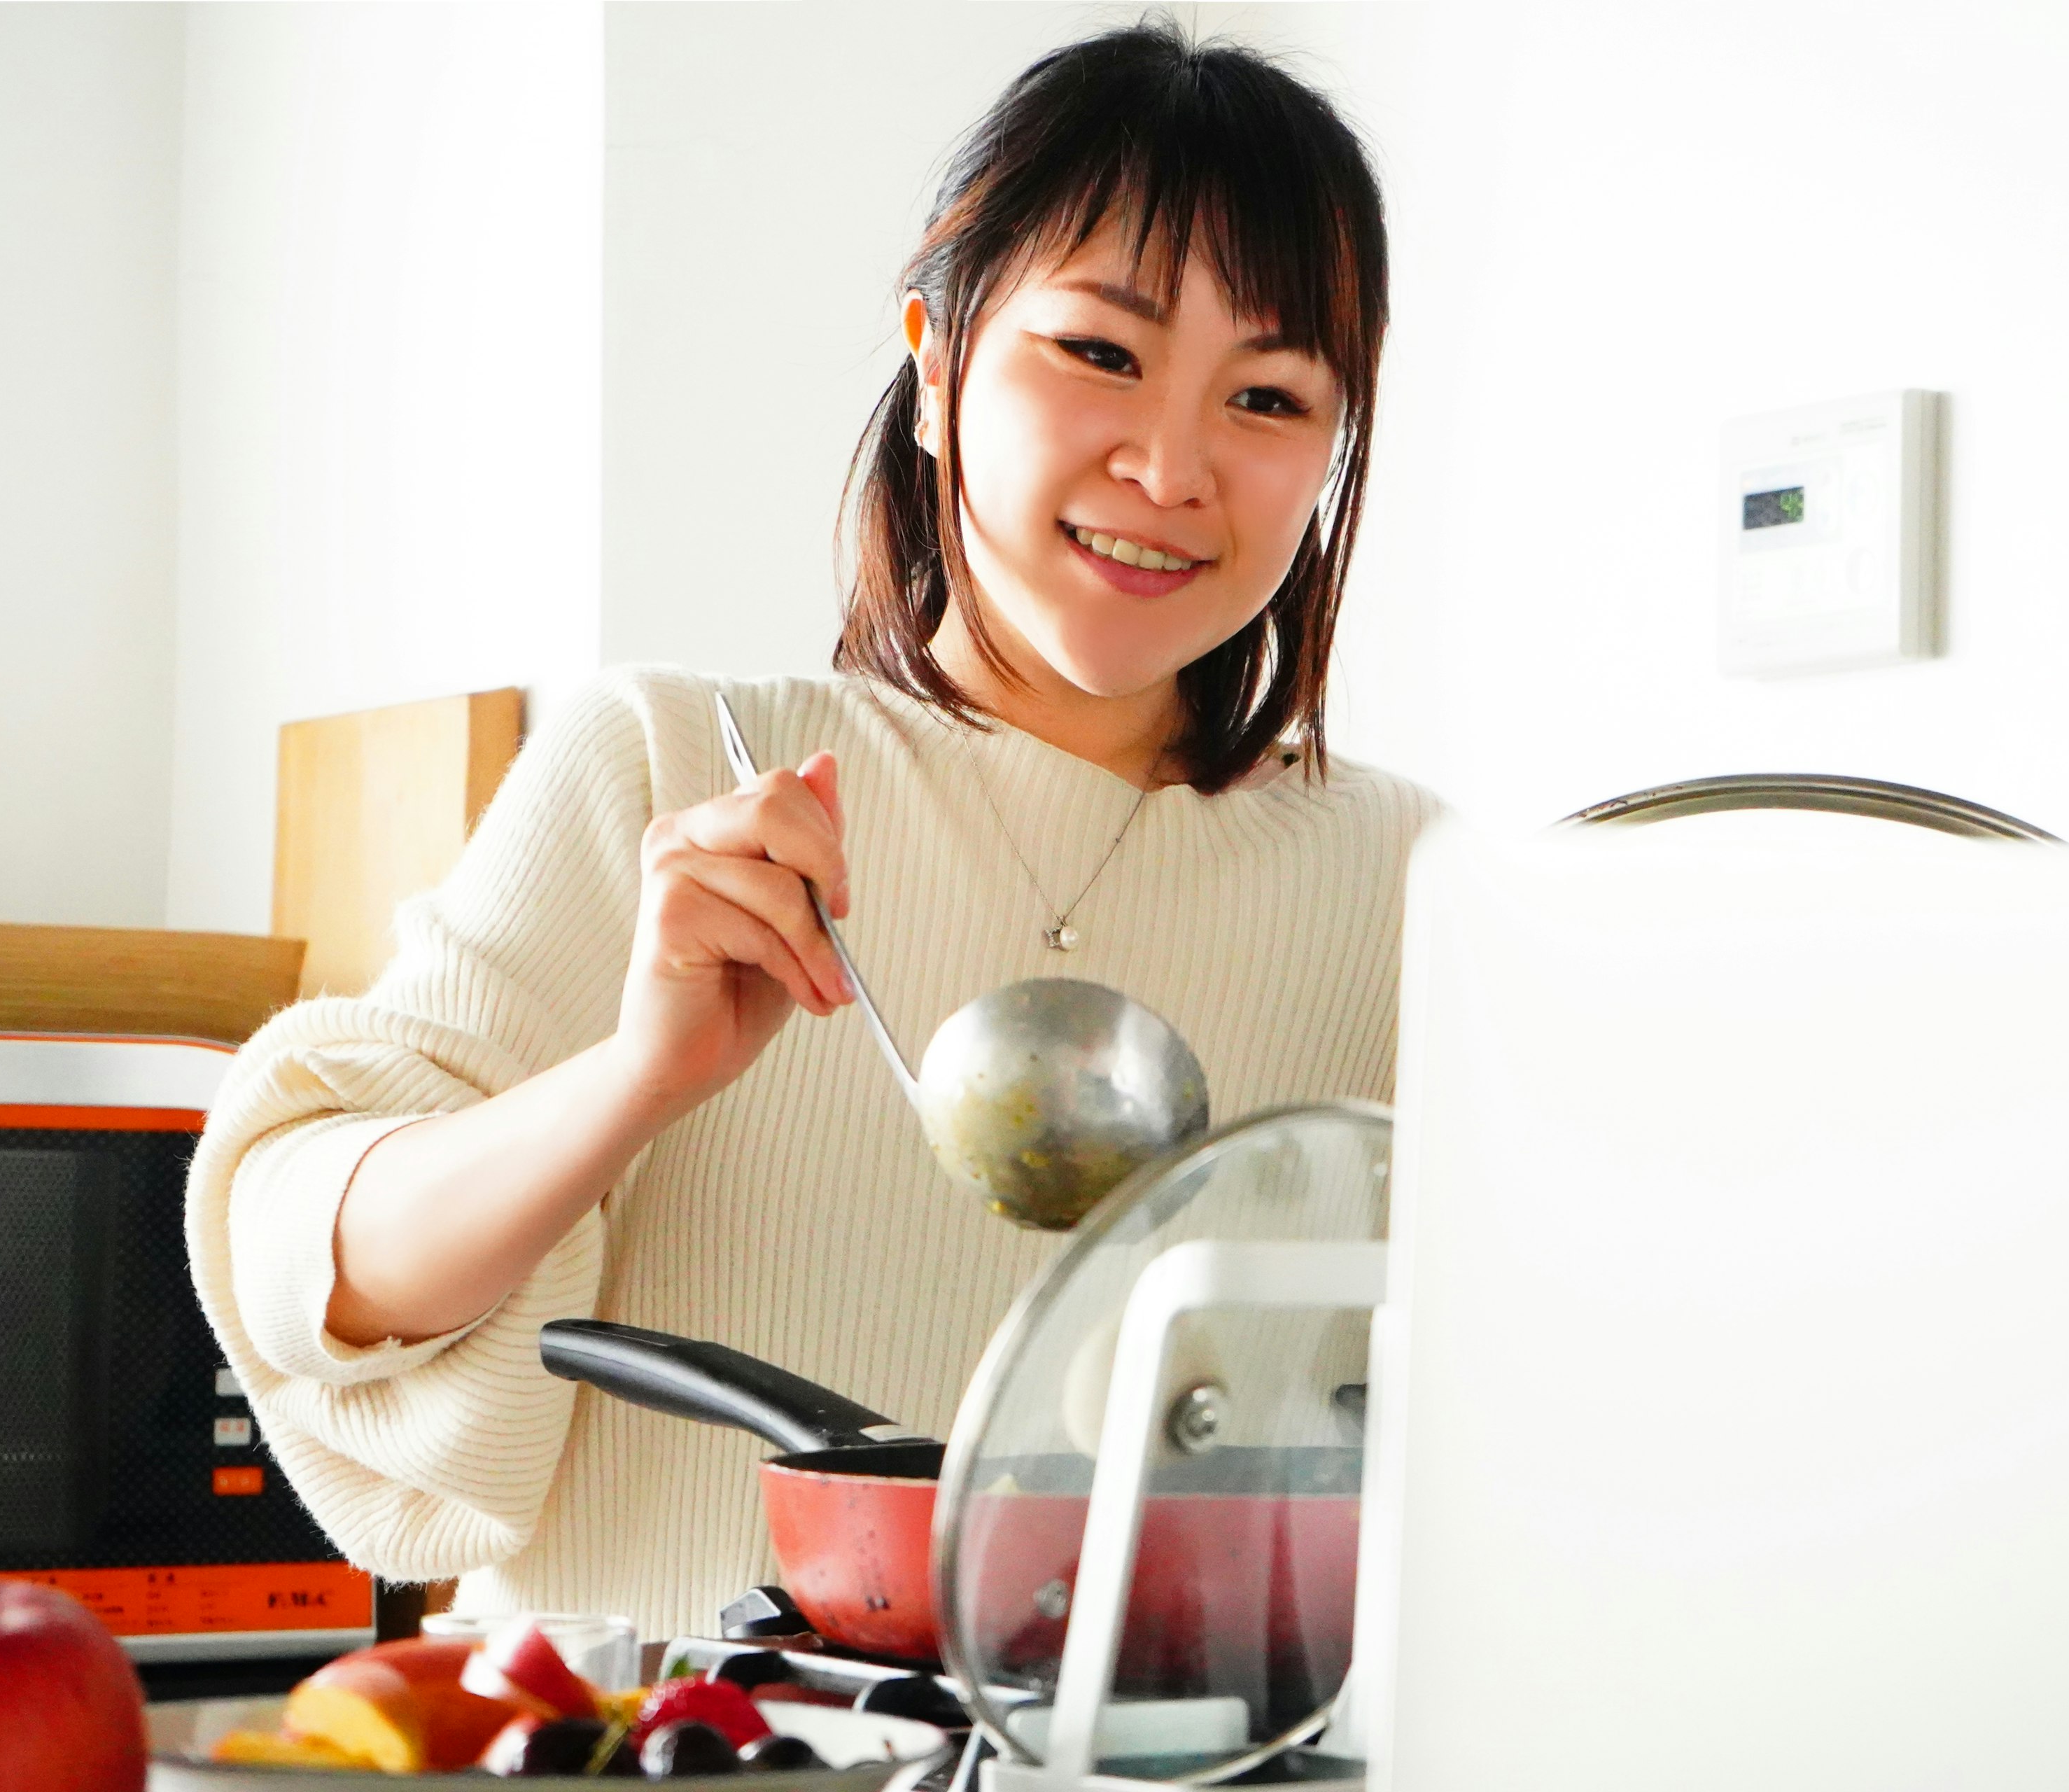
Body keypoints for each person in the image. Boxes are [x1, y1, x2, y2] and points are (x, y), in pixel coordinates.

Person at [188, 20, 1433, 1644]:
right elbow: (305, 1264)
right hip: (648, 1749)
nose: (1171, 464)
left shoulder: (1415, 890)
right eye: (1103, 354)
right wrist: (638, 1074)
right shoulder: (680, 764)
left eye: (1266, 395)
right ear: (937, 363)